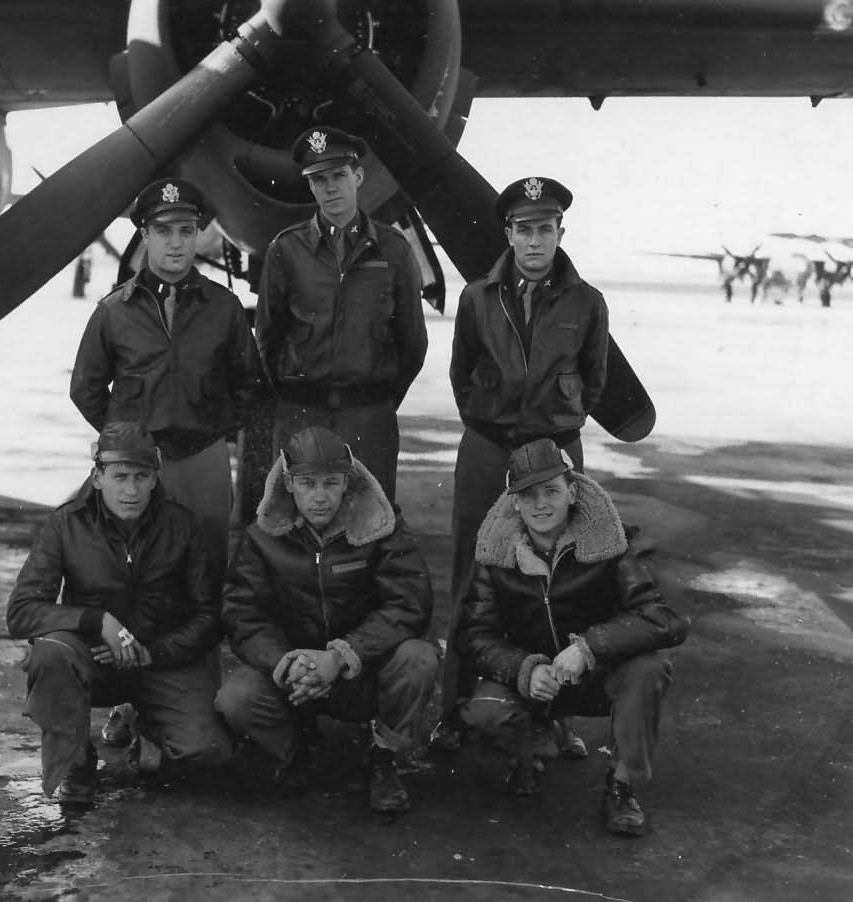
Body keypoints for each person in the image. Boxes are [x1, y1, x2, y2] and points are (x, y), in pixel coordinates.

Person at [70, 177, 262, 745]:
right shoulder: (114, 312)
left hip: (200, 463)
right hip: (136, 467)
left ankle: (194, 699)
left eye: (186, 231)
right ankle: (127, 701)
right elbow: (87, 388)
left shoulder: (224, 309)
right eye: (163, 232)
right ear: (144, 237)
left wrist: (211, 431)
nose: (176, 244)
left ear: (198, 235)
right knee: (126, 579)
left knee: (201, 583)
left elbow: (248, 387)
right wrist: (123, 449)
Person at [436, 176, 610, 751]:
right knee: (472, 573)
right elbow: (462, 375)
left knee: (561, 584)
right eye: (524, 229)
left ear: (561, 232)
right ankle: (454, 709)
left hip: (556, 455)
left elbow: (596, 381)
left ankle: (551, 719)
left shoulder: (587, 304)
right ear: (507, 233)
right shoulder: (476, 298)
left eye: (546, 229)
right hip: (489, 450)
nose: (535, 241)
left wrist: (554, 430)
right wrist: (494, 426)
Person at [455, 438, 688, 835]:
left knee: (649, 669)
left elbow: (665, 618)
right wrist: (524, 669)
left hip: (597, 674)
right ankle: (535, 744)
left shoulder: (613, 544)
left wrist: (589, 647)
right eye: (527, 495)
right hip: (537, 680)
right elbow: (473, 634)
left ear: (573, 491)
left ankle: (622, 785)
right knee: (485, 712)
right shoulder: (495, 555)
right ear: (513, 502)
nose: (540, 504)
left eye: (551, 491)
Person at [6, 422, 232, 804]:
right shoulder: (65, 524)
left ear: (156, 478)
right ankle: (76, 761)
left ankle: (148, 729)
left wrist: (154, 651)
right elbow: (23, 612)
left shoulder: (183, 527)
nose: (130, 490)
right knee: (50, 652)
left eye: (142, 477)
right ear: (97, 477)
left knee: (206, 752)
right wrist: (98, 621)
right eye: (120, 476)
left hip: (159, 662)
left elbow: (208, 617)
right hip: (95, 660)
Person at [216, 426, 437, 813]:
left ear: (348, 483)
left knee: (418, 658)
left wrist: (342, 656)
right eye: (307, 484)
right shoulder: (261, 535)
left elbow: (409, 605)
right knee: (236, 698)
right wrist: (286, 662)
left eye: (331, 483)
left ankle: (384, 756)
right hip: (294, 675)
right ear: (288, 483)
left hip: (359, 673)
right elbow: (242, 613)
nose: (319, 496)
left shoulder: (382, 528)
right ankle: (294, 745)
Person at [254, 127, 428, 501]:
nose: (331, 188)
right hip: (302, 412)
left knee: (369, 522)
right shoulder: (286, 250)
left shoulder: (394, 250)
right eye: (319, 180)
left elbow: (412, 342)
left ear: (358, 177)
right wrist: (293, 396)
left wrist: (377, 400)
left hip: (368, 415)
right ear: (310, 187)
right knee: (297, 522)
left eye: (338, 176)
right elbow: (267, 336)